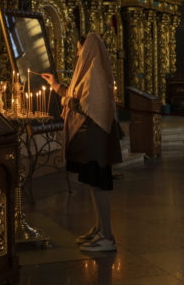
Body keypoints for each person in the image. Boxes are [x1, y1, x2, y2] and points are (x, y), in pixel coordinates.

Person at [41, 33, 122, 252]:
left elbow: (86, 105)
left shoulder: (95, 72)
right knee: (93, 184)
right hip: (91, 139)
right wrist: (56, 85)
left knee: (99, 185)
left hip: (97, 140)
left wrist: (66, 100)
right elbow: (77, 95)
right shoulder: (89, 71)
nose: (78, 54)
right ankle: (99, 229)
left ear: (88, 50)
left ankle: (107, 237)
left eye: (79, 49)